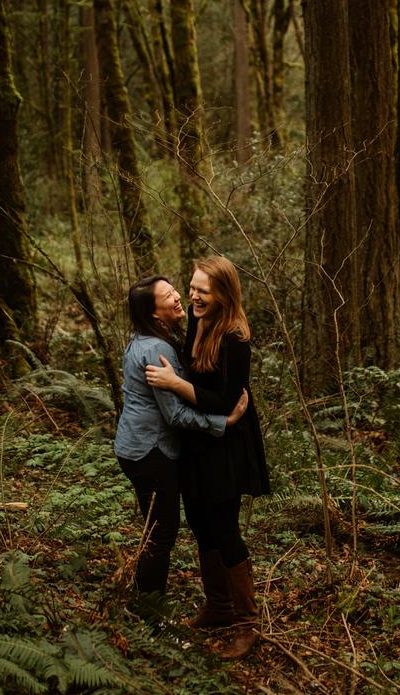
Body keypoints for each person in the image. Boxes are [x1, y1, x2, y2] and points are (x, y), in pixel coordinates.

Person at [145, 254, 270, 659]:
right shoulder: (200, 322)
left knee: (224, 526)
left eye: (204, 290)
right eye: (193, 287)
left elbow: (226, 399)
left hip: (227, 442)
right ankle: (218, 607)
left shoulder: (236, 338)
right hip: (199, 438)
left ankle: (247, 623)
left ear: (224, 293)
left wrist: (175, 385)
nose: (195, 296)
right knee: (199, 521)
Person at [115, 275, 248, 621]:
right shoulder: (157, 349)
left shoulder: (151, 338)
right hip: (150, 452)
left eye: (176, 290)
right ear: (154, 315)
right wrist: (224, 422)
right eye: (169, 296)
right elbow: (174, 414)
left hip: (136, 447)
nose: (180, 298)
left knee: (156, 532)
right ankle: (149, 618)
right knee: (161, 537)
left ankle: (163, 610)